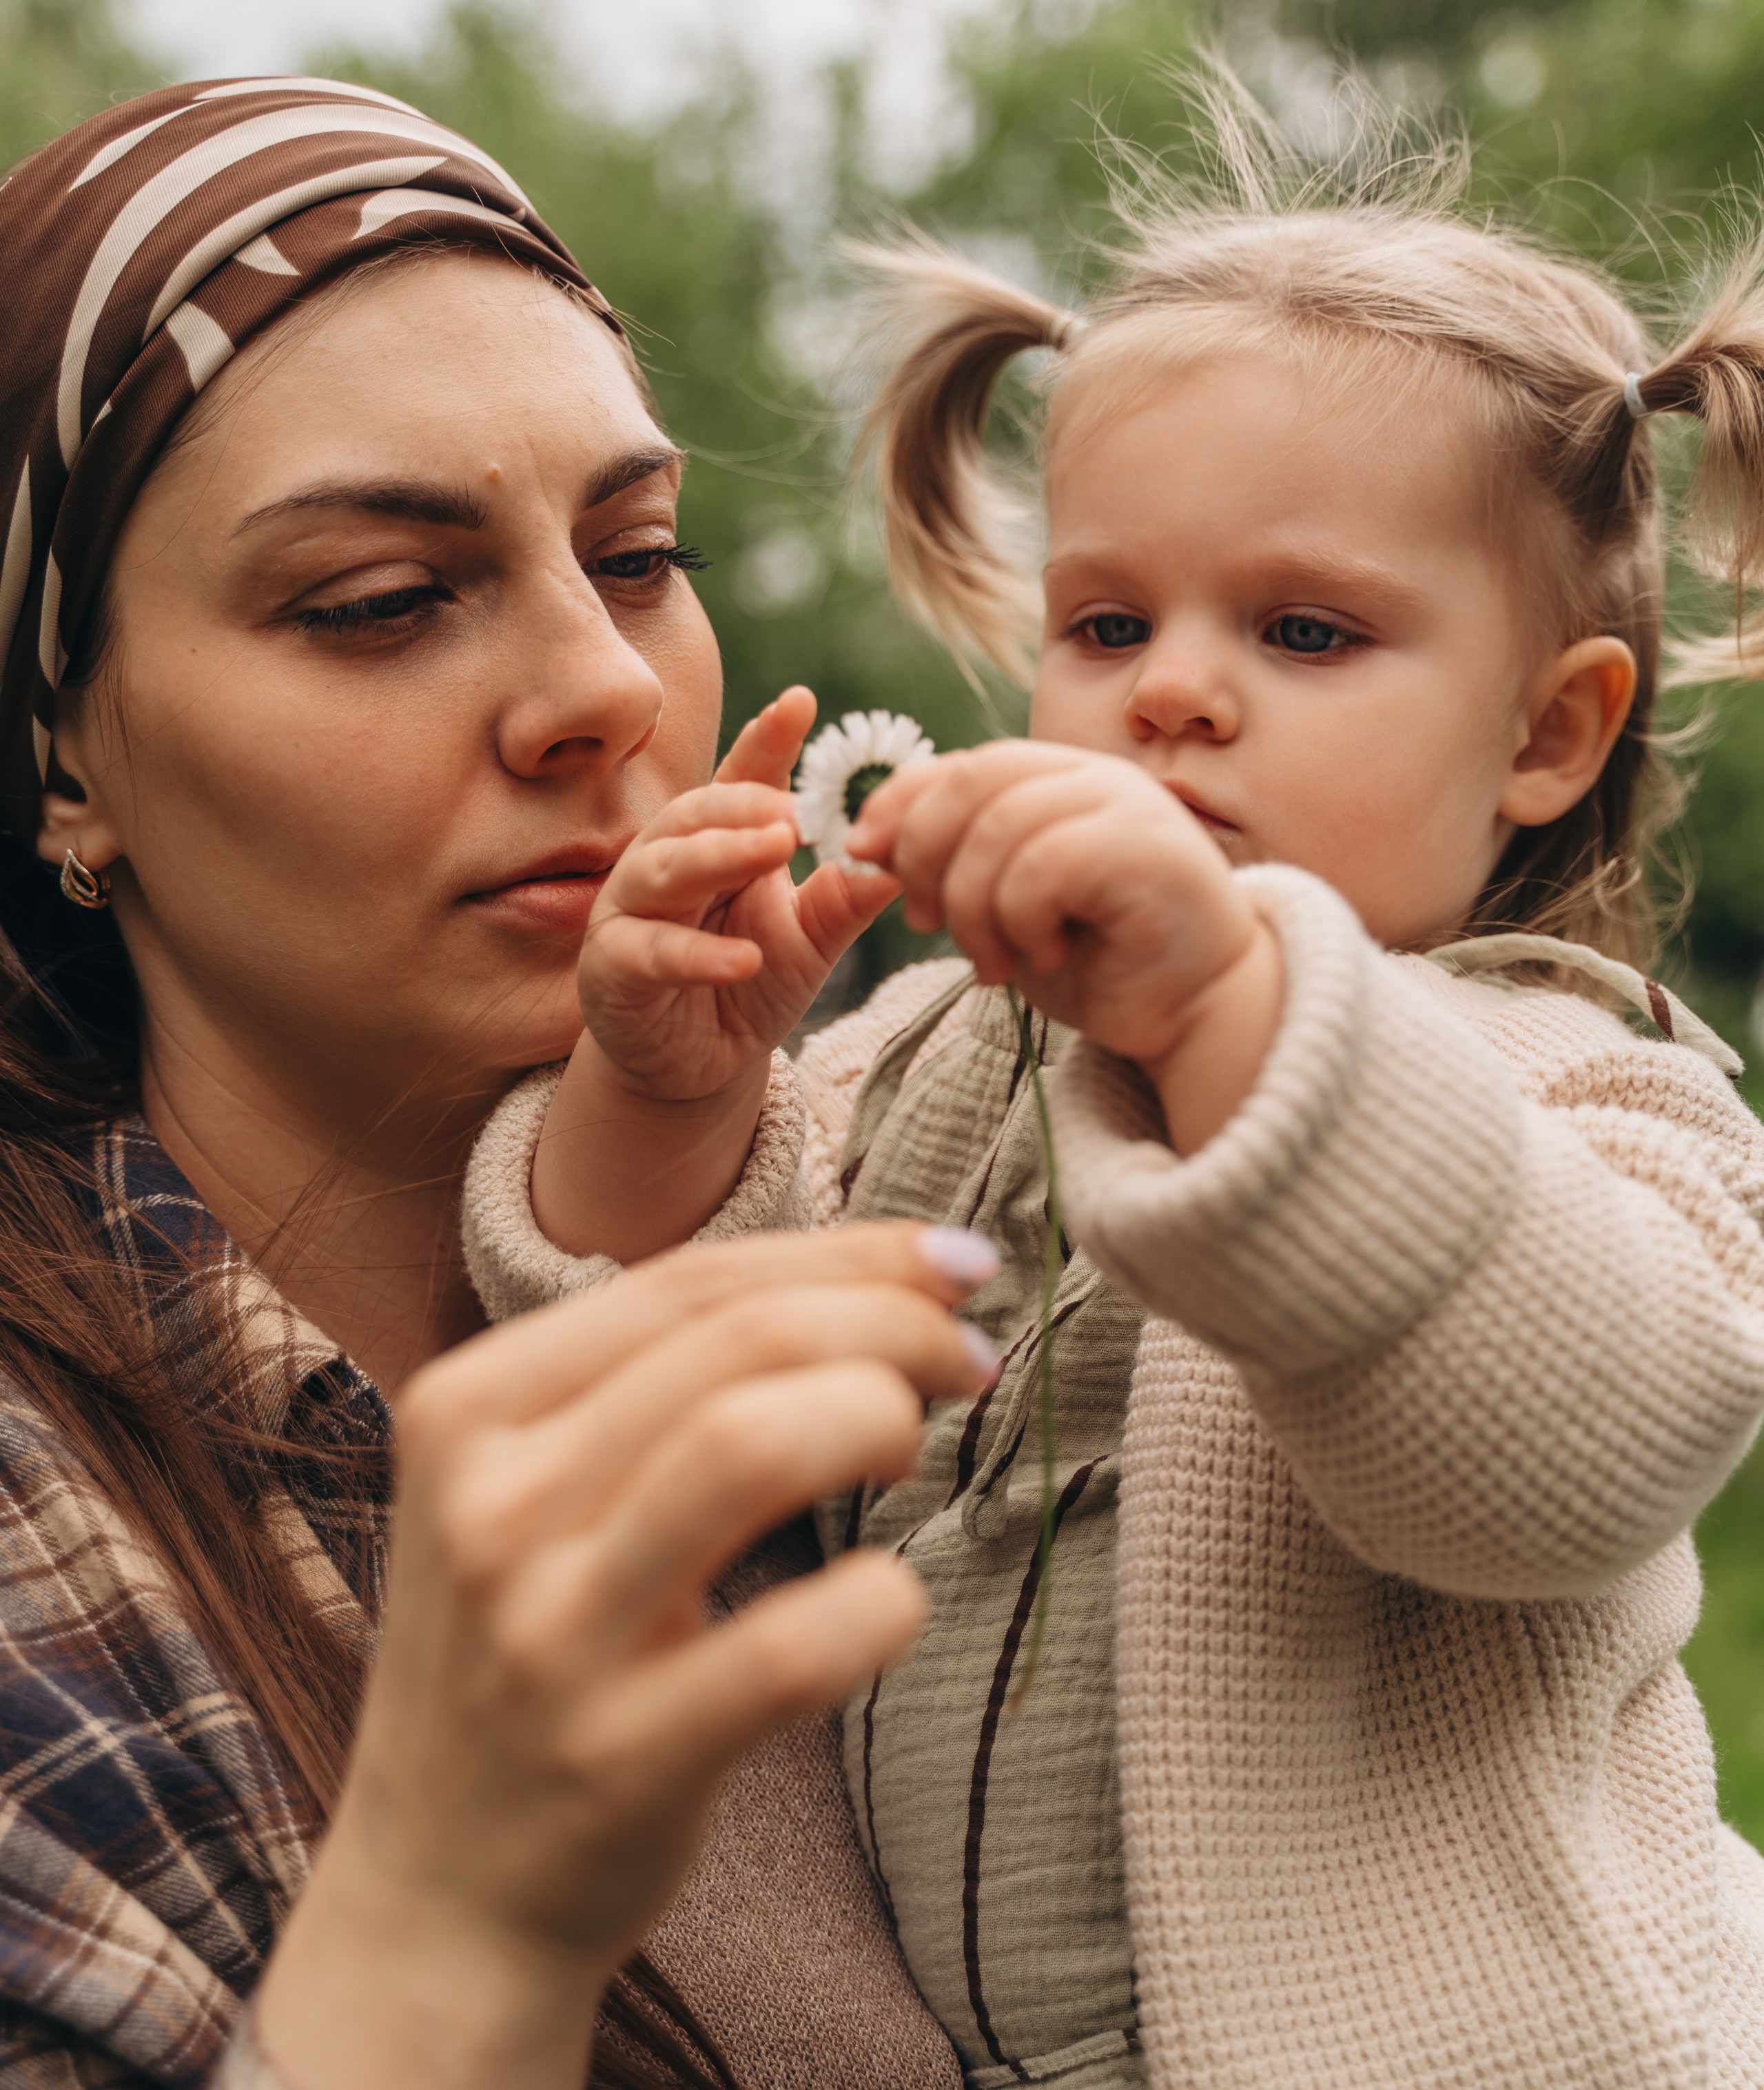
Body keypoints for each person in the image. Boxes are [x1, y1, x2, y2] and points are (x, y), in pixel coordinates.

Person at [485, 71, 1764, 2089]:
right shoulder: (936, 1048)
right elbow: (662, 1361)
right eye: (1106, 617)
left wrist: (1234, 1006)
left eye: (1308, 627)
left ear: (1548, 734)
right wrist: (669, 1092)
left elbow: (1580, 1451)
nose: (1171, 684)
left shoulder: (1580, 1091)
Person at [0, 76, 987, 2090]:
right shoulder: (45, 1561)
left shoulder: (931, 1267)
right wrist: (452, 1934)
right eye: (378, 601)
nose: (608, 689)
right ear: (66, 759)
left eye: (636, 554)